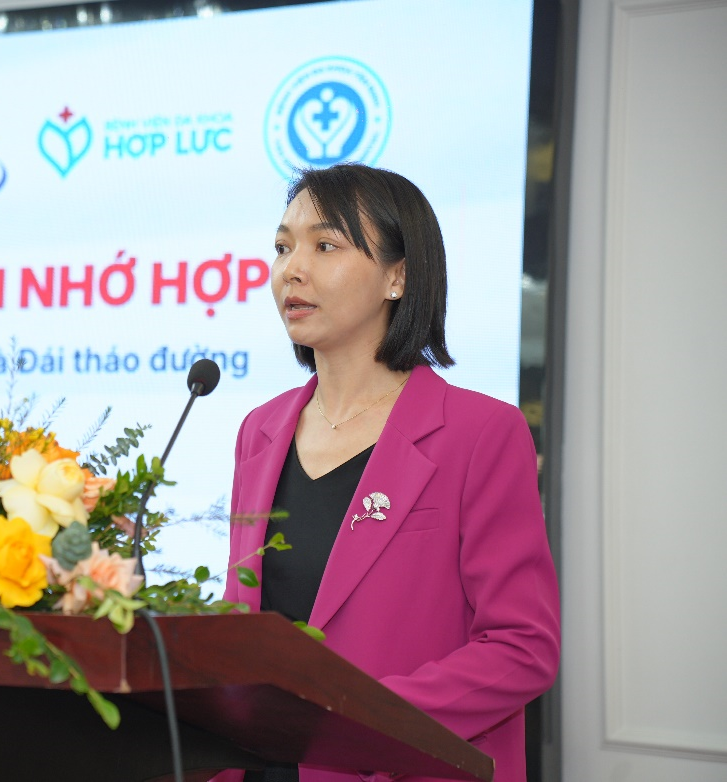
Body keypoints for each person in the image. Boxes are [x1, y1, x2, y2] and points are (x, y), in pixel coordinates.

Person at [218, 164, 561, 782]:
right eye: (282, 247)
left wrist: (356, 717)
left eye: (326, 246)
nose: (291, 269)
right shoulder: (258, 431)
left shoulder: (480, 433)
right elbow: (245, 621)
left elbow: (522, 647)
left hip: (394, 764)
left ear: (397, 276)